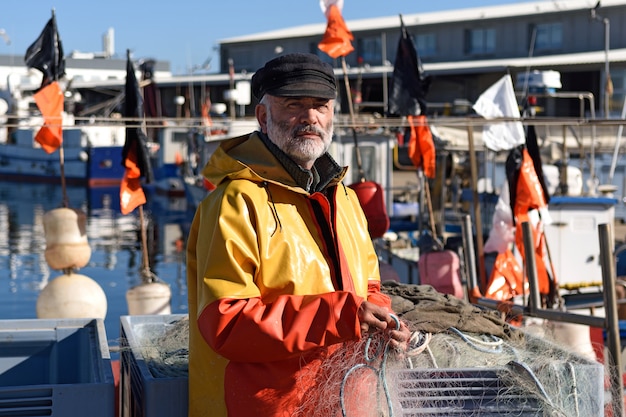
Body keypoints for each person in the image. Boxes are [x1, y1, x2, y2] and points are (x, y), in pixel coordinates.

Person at [186, 52, 410, 417]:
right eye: (294, 105)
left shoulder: (346, 199)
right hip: (264, 408)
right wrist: (341, 316)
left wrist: (384, 320)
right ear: (263, 116)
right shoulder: (234, 202)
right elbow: (225, 321)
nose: (310, 117)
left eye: (320, 105)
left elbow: (368, 290)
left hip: (344, 400)